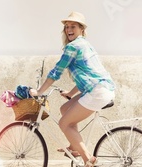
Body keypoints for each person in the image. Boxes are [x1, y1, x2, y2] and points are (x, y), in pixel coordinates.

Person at [30, 11, 115, 167]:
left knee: (64, 124)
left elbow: (56, 71)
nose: (69, 29)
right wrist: (70, 93)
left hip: (97, 92)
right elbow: (88, 77)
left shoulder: (73, 47)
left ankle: (88, 159)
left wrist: (39, 92)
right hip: (101, 88)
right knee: (65, 108)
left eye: (73, 26)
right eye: (67, 27)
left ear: (81, 29)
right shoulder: (85, 44)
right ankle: (75, 147)